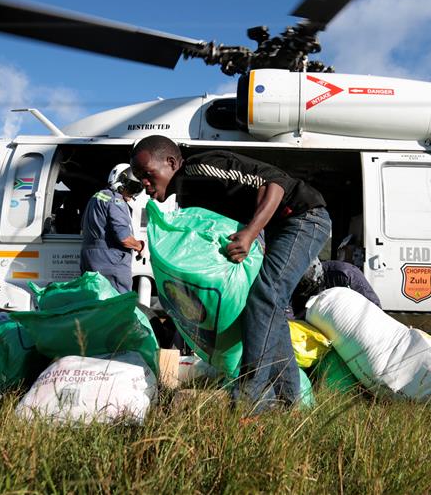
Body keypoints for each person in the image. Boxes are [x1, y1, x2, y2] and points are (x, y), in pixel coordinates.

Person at [130, 135, 331, 413]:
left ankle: (249, 396)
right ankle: (291, 403)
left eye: (148, 174)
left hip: (302, 218)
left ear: (172, 162)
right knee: (269, 310)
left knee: (265, 298)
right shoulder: (186, 193)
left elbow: (274, 185)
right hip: (278, 228)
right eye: (140, 178)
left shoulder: (201, 167)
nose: (144, 183)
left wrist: (249, 234)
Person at [80, 163, 145, 294]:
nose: (132, 195)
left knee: (94, 300)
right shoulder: (117, 201)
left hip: (88, 258)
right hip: (110, 260)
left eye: (136, 190)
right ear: (118, 183)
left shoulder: (96, 197)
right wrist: (139, 246)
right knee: (117, 304)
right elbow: (124, 238)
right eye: (131, 188)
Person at [287, 258, 382, 318]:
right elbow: (288, 314)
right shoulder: (293, 285)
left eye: (311, 286)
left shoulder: (345, 275)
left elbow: (374, 306)